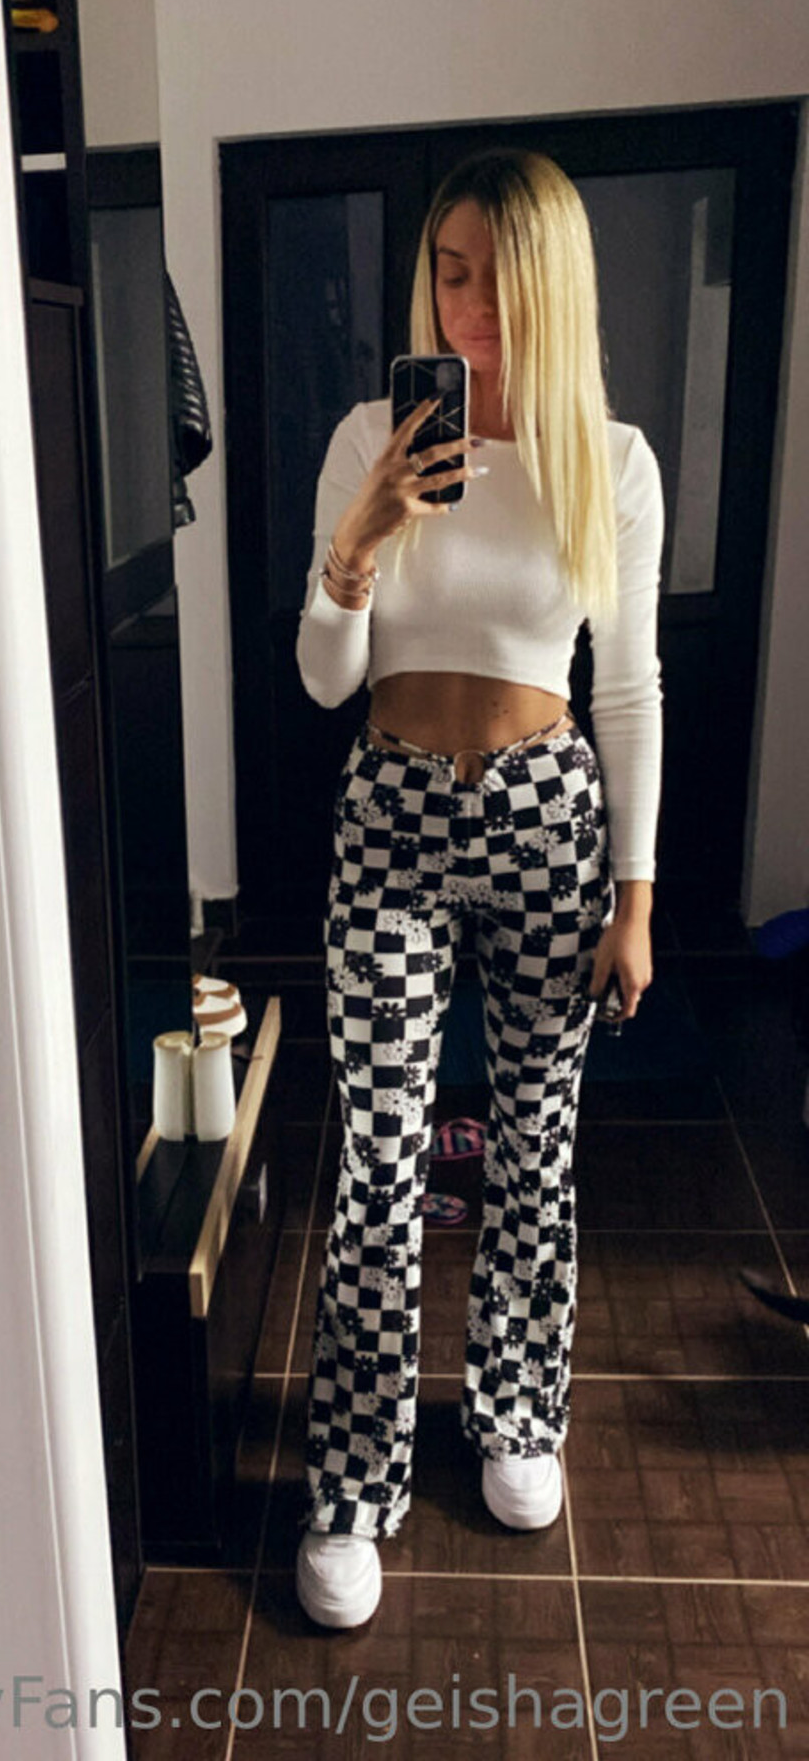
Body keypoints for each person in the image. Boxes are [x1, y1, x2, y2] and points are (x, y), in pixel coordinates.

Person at [292, 147, 664, 1630]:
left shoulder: (609, 463)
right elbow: (326, 680)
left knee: (533, 1144)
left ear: (552, 286)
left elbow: (626, 687)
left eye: (499, 279)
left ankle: (517, 1415)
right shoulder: (367, 439)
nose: (469, 308)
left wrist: (636, 896)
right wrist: (362, 542)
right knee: (379, 1161)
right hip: (391, 809)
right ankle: (354, 1481)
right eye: (449, 273)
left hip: (547, 814)